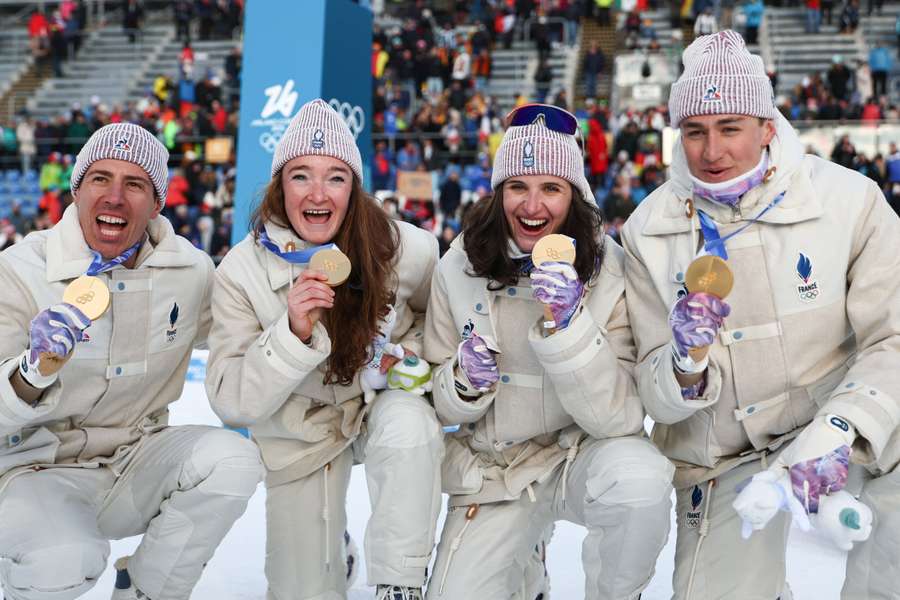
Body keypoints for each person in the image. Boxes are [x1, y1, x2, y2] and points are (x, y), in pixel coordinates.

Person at [621, 30, 900, 599]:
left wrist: (840, 430)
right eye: (695, 131)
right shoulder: (648, 229)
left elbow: (893, 338)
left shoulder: (849, 200)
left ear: (767, 126)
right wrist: (683, 364)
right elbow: (651, 393)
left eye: (730, 128)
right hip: (726, 456)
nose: (711, 150)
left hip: (839, 421)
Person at [0, 122, 263, 600]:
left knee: (233, 459)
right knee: (64, 557)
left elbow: (244, 335)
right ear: (76, 190)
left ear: (158, 202)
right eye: (100, 178)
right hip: (31, 471)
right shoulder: (18, 270)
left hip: (133, 463)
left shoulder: (191, 270)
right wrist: (30, 373)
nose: (115, 197)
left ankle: (144, 591)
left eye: (135, 184)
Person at [424, 103, 673, 600]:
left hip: (580, 455)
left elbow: (621, 417)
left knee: (641, 479)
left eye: (551, 188)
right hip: (497, 467)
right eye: (518, 186)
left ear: (574, 197)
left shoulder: (612, 268)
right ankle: (526, 563)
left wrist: (570, 326)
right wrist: (463, 381)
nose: (532, 206)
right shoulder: (459, 264)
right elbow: (437, 399)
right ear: (498, 194)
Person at [205, 99, 444, 600]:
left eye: (335, 177)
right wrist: (290, 335)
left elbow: (432, 322)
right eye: (301, 176)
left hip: (377, 407)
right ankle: (331, 545)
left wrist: (403, 357)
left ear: (353, 190)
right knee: (302, 590)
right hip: (301, 432)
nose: (318, 193)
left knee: (409, 425)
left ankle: (400, 582)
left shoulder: (408, 249)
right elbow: (231, 401)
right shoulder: (241, 273)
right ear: (279, 186)